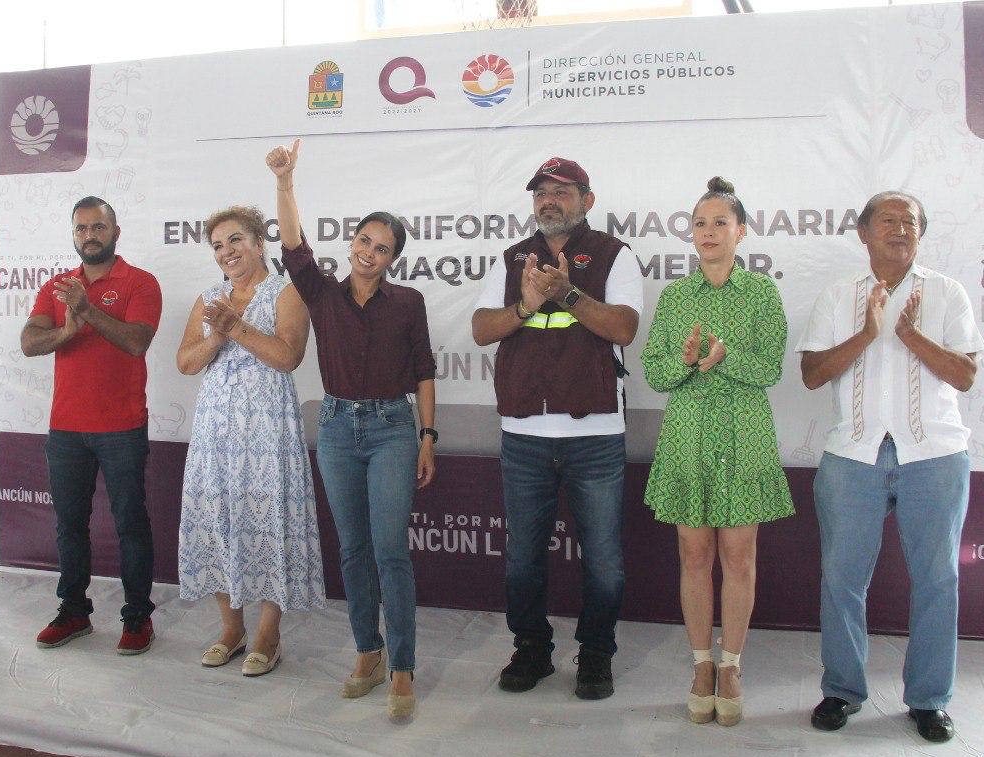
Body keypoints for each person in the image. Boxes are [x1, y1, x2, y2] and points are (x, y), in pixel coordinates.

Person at [798, 191, 984, 743]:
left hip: (935, 457)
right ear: (863, 233)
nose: (900, 229)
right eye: (888, 221)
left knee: (937, 580)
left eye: (910, 222)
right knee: (842, 579)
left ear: (921, 234)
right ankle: (842, 690)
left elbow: (966, 375)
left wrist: (910, 336)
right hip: (853, 455)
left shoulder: (946, 292)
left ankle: (929, 700)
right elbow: (811, 374)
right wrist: (867, 332)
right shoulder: (839, 296)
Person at [266, 139, 436, 721]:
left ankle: (403, 665)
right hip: (337, 429)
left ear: (393, 258)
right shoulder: (321, 293)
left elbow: (424, 372)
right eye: (364, 240)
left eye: (381, 247)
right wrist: (285, 183)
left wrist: (428, 436)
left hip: (392, 430)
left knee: (390, 550)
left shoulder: (408, 302)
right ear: (353, 243)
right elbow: (294, 246)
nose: (369, 252)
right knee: (355, 548)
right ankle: (367, 650)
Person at [471, 157, 641, 701]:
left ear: (587, 200)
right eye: (541, 192)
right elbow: (481, 329)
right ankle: (531, 649)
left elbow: (624, 328)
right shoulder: (511, 259)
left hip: (595, 435)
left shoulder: (614, 254)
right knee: (522, 559)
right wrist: (525, 304)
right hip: (524, 435)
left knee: (604, 562)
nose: (549, 200)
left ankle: (596, 654)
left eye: (562, 191)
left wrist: (567, 293)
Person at [641, 177, 794, 726]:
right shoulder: (676, 297)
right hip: (688, 435)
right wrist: (685, 361)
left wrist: (726, 358)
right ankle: (701, 662)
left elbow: (771, 368)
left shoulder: (761, 293)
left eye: (720, 223)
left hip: (744, 435)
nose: (708, 233)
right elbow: (655, 371)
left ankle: (732, 665)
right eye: (700, 223)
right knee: (693, 555)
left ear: (741, 231)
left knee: (739, 555)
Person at [175, 204, 326, 675]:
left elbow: (287, 357)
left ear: (259, 243)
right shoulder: (208, 298)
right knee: (216, 521)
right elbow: (186, 362)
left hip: (267, 431)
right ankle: (231, 628)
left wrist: (234, 328)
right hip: (214, 434)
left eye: (235, 240)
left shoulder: (287, 291)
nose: (227, 252)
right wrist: (215, 339)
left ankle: (268, 632)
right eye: (218, 245)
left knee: (269, 522)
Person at [21, 196, 162, 656]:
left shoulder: (141, 282)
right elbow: (29, 342)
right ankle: (74, 610)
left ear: (115, 232)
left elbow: (136, 342)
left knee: (130, 523)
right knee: (69, 525)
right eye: (81, 228)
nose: (89, 235)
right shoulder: (58, 286)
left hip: (122, 427)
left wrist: (86, 311)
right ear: (73, 235)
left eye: (98, 227)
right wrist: (65, 331)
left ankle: (137, 616)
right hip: (66, 429)